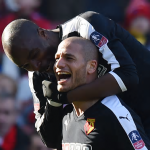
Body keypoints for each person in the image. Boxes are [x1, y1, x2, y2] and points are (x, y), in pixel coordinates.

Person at [1, 11, 150, 140]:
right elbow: (50, 139)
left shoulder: (87, 25)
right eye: (26, 65)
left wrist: (67, 96)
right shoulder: (37, 74)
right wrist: (54, 103)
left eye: (35, 54)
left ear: (42, 33)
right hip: (121, 131)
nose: (36, 65)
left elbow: (128, 76)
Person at [42, 37, 150, 149]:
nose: (58, 65)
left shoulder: (115, 114)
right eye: (57, 59)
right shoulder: (66, 115)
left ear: (92, 66)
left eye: (69, 58)